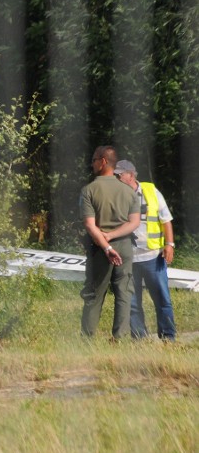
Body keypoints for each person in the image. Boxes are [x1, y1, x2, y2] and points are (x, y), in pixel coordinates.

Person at [79, 146, 140, 339]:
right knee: (124, 293)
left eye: (94, 159)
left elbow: (90, 225)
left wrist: (105, 243)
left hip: (99, 247)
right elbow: (134, 222)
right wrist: (113, 236)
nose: (92, 163)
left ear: (103, 161)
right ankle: (120, 338)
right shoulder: (129, 191)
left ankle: (87, 340)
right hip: (124, 246)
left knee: (94, 294)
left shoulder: (89, 190)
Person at [114, 160, 177, 340]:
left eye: (120, 175)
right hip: (128, 258)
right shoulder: (117, 196)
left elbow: (166, 220)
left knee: (162, 300)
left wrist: (169, 244)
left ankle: (168, 338)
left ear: (131, 175)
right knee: (133, 304)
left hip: (152, 258)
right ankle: (139, 340)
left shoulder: (151, 192)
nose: (117, 178)